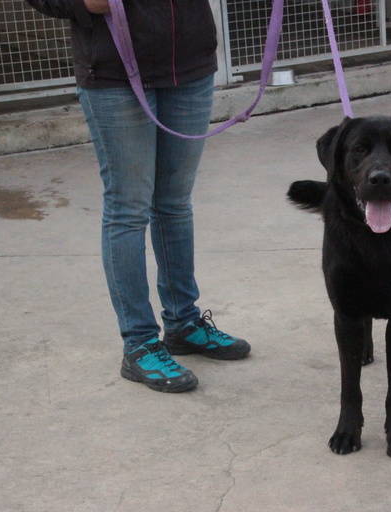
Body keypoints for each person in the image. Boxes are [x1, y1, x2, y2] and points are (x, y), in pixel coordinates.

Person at [26, 0, 250, 393]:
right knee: (129, 210)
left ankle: (183, 324)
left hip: (191, 65)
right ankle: (139, 343)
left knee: (175, 204)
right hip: (115, 73)